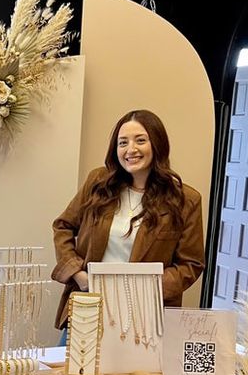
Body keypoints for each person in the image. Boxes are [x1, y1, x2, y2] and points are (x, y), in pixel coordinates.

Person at [51, 109, 205, 330]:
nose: (130, 150)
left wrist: (141, 288)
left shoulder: (185, 200)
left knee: (135, 367)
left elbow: (190, 265)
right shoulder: (98, 182)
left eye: (140, 140)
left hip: (145, 315)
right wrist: (79, 275)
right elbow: (63, 226)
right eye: (123, 143)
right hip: (90, 304)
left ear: (157, 144)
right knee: (75, 364)